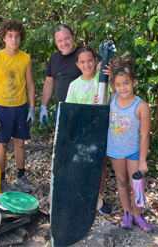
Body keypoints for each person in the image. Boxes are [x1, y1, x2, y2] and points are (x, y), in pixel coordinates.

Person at [95, 53, 154, 232]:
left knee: (137, 183)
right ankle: (127, 213)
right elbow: (106, 80)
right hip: (115, 150)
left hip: (134, 151)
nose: (122, 88)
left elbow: (145, 136)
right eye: (119, 85)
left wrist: (143, 160)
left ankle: (138, 215)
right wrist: (107, 68)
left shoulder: (141, 105)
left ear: (134, 82)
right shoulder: (113, 98)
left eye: (126, 83)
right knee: (121, 182)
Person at [0, 19, 36, 193]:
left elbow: (30, 85)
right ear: (3, 38)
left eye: (17, 36)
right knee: (2, 145)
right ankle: (1, 180)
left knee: (20, 143)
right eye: (10, 36)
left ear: (21, 38)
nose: (14, 40)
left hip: (20, 107)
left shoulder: (26, 58)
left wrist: (32, 109)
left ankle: (21, 178)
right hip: (2, 108)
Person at [65, 46, 112, 215]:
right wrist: (87, 109)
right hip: (83, 133)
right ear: (77, 64)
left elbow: (113, 99)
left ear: (96, 61)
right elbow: (71, 113)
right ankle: (81, 196)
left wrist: (109, 78)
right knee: (83, 165)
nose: (87, 65)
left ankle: (97, 197)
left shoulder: (103, 80)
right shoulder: (74, 85)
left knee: (100, 164)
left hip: (102, 129)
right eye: (83, 62)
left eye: (90, 60)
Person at [40, 24, 101, 125]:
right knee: (62, 140)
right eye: (60, 41)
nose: (64, 43)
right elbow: (48, 84)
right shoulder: (54, 58)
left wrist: (107, 56)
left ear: (73, 37)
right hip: (62, 110)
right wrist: (43, 107)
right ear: (56, 43)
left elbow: (100, 65)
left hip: (85, 110)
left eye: (67, 38)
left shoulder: (83, 54)